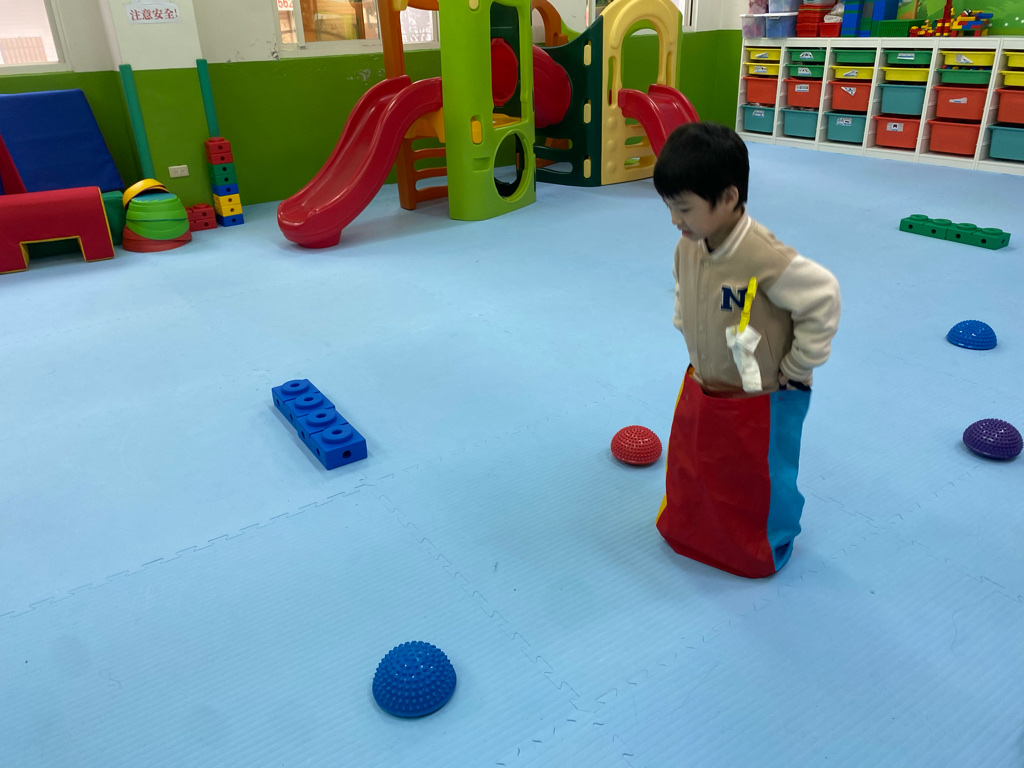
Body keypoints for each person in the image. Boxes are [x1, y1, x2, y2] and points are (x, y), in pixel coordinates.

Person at [652, 122, 841, 578]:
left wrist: (799, 364)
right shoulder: (688, 245)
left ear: (728, 198)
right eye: (670, 208)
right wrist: (683, 322)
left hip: (763, 393)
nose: (675, 220)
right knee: (698, 464)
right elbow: (682, 285)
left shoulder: (763, 257)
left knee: (754, 477)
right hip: (706, 380)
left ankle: (757, 548)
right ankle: (698, 532)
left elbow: (823, 295)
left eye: (684, 208)